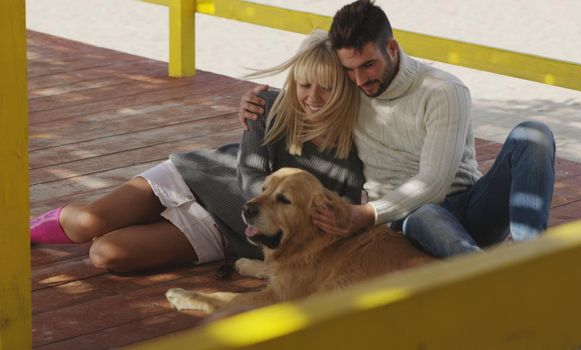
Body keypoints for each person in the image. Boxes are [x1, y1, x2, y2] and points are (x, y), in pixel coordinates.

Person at [239, 0, 556, 258]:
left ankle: (532, 257)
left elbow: (434, 184)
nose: (360, 80)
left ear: (391, 48)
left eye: (368, 65)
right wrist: (257, 102)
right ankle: (487, 274)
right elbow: (313, 93)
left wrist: (365, 214)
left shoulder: (443, 91)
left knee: (534, 134)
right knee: (425, 215)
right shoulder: (351, 90)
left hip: (469, 205)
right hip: (407, 221)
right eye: (349, 70)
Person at [30, 30, 365, 272]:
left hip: (230, 231)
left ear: (346, 88)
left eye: (327, 87)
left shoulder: (360, 145)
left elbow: (342, 218)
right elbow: (250, 176)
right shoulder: (267, 106)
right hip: (198, 177)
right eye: (305, 84)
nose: (312, 97)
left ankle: (144, 224)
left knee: (106, 253)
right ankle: (21, 231)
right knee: (89, 223)